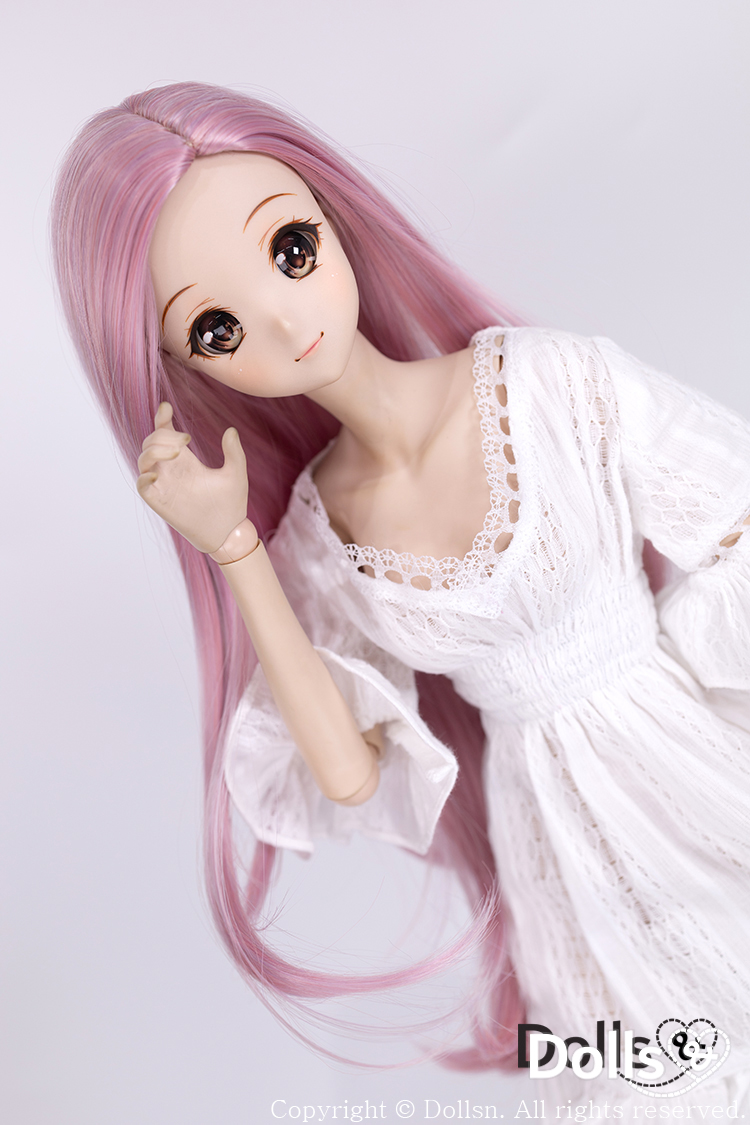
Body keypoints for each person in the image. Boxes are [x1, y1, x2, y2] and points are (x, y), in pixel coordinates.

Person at [52, 81, 750, 1104]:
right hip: (559, 842)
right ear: (177, 368)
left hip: (686, 753)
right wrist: (236, 548)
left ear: (333, 217)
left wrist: (668, 684)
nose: (282, 319)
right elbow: (348, 773)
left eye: (291, 249)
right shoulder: (318, 540)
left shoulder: (550, 385)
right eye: (215, 328)